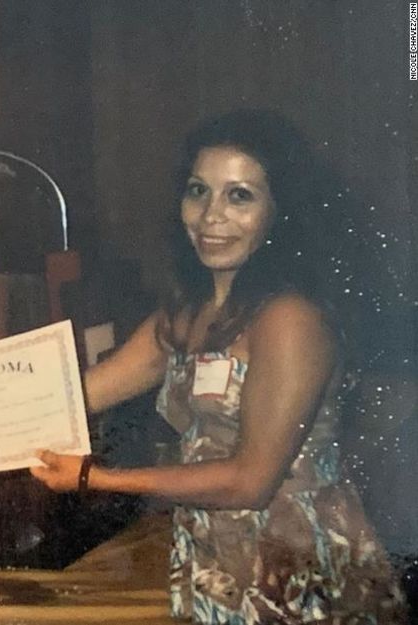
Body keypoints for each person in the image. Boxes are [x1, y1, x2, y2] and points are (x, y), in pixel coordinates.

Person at [30, 110, 406, 623]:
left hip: (293, 566)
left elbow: (250, 481)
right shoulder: (185, 314)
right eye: (198, 191)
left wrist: (99, 478)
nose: (210, 216)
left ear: (280, 210)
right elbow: (75, 395)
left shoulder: (290, 317)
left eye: (240, 195)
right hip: (215, 557)